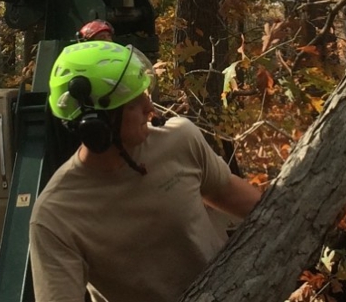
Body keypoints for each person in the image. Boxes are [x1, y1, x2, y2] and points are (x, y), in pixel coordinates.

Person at [29, 41, 262, 302]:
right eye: (134, 104)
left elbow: (238, 198)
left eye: (146, 97)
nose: (150, 110)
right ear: (95, 124)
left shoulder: (180, 139)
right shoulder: (56, 214)